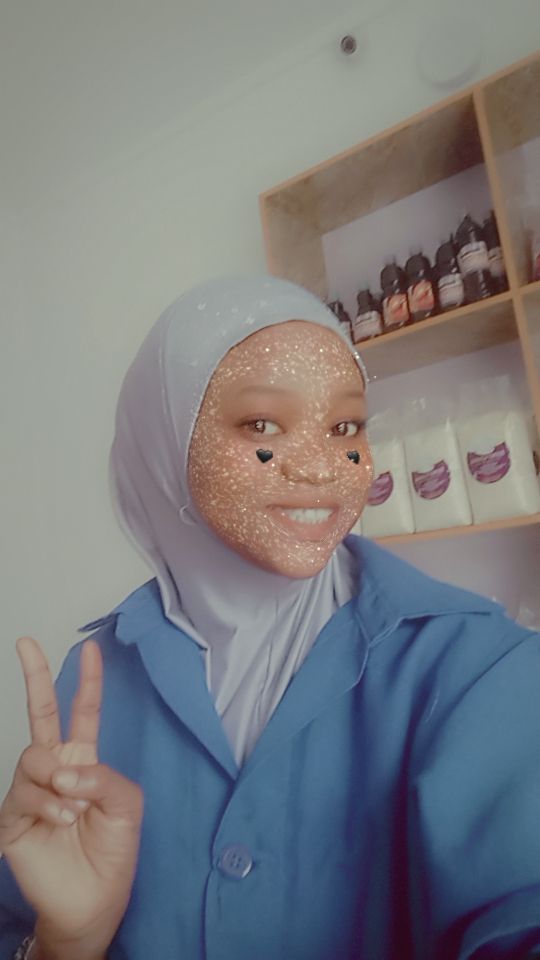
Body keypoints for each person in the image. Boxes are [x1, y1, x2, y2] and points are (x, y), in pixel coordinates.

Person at [0, 276, 539, 960]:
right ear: (164, 444)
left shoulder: (477, 667)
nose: (320, 469)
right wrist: (64, 944)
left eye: (345, 427)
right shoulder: (93, 680)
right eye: (262, 425)